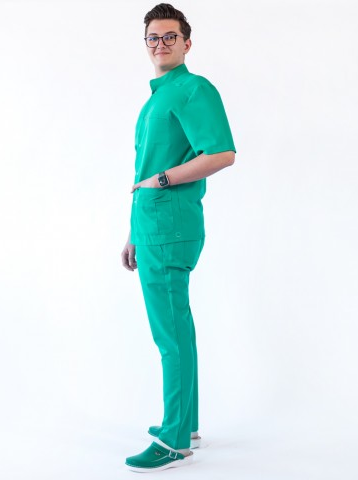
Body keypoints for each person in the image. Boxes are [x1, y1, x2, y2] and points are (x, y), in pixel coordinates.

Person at [121, 3, 236, 473]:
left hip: (169, 229)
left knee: (169, 335)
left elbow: (222, 153)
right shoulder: (158, 97)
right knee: (177, 331)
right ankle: (185, 426)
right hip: (153, 229)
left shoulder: (193, 88)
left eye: (170, 36)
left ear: (187, 43)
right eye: (153, 37)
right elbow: (143, 170)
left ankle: (173, 442)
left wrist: (164, 180)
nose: (161, 44)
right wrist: (133, 232)